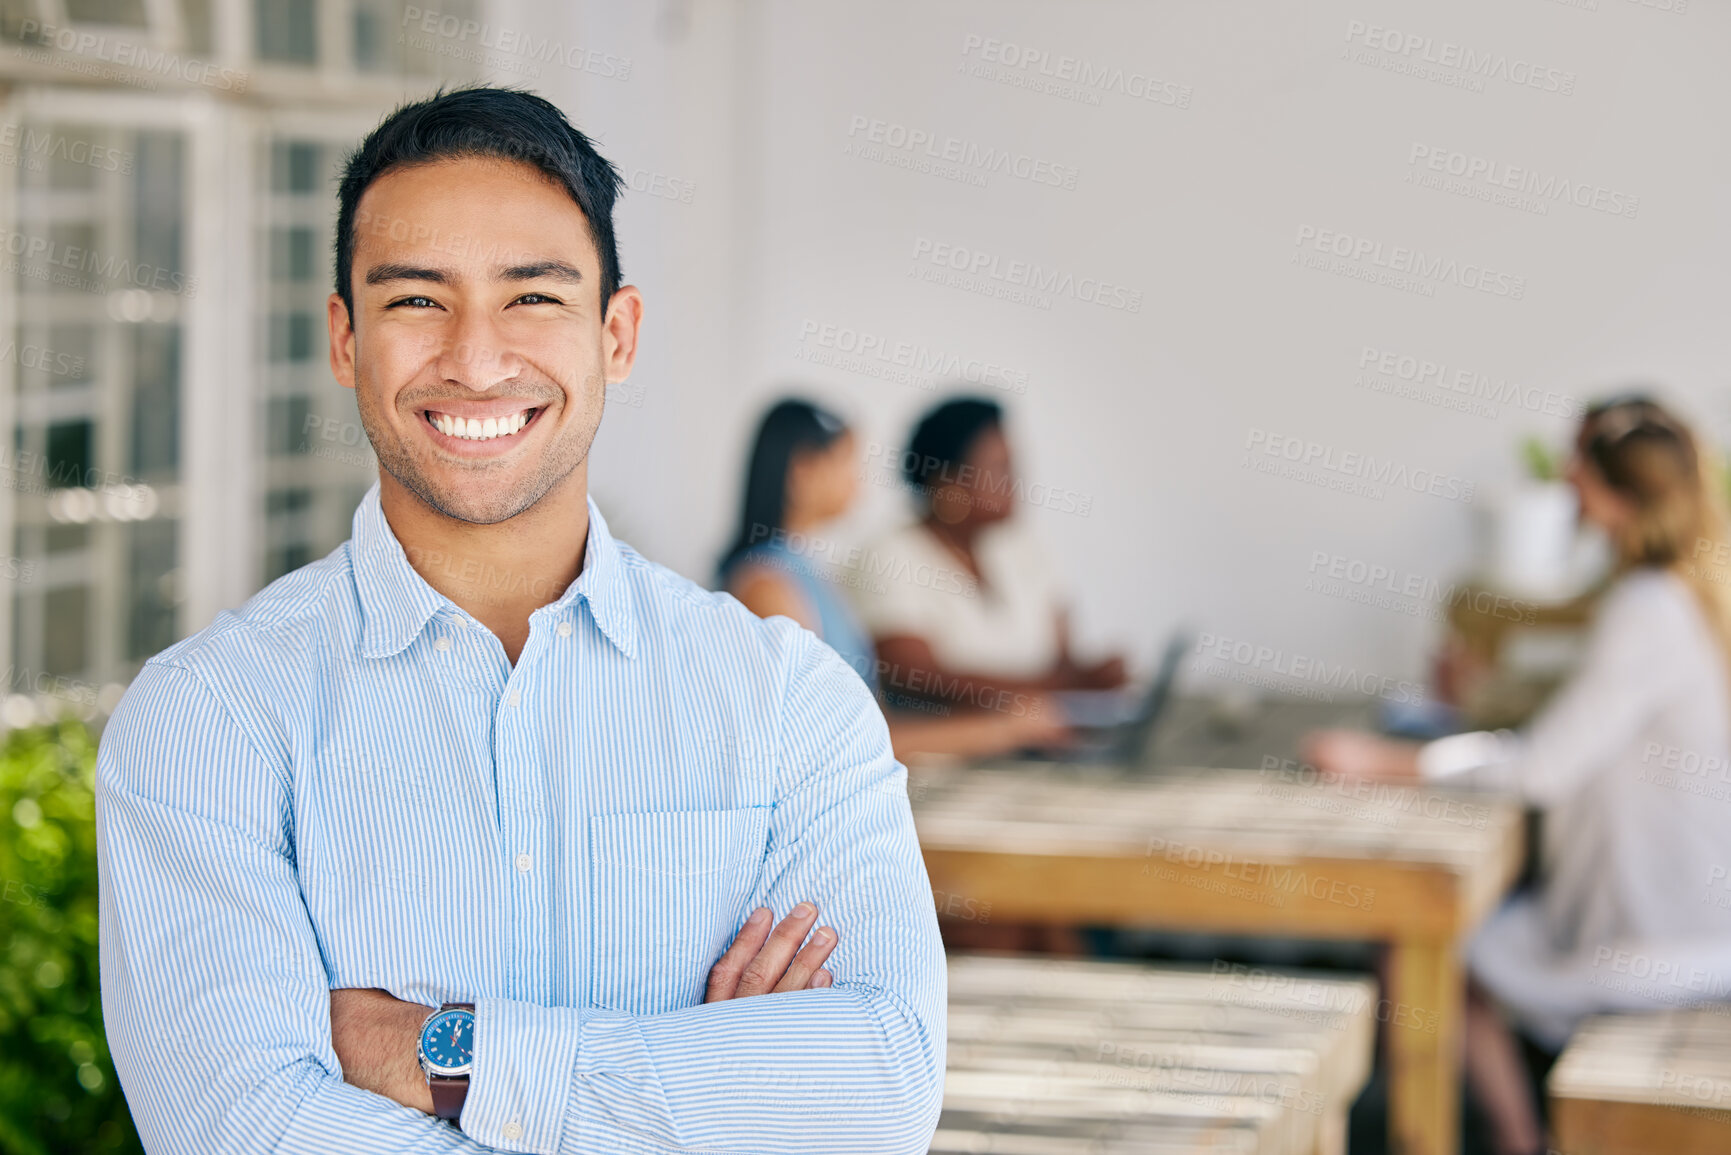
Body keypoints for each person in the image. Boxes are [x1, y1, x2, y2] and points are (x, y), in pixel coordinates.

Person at [95, 88, 944, 1155]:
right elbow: (246, 1131)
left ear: (617, 334)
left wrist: (448, 1056)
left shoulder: (785, 699)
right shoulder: (208, 719)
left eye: (532, 298)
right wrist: (708, 1101)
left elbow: (878, 1093)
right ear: (345, 340)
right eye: (415, 302)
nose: (476, 358)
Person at [1304, 395, 1731, 1155]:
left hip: (1653, 945)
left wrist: (1389, 764)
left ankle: (1513, 1140)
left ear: (1606, 492)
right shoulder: (1691, 591)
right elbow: (1580, 701)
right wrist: (1475, 697)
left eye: (1576, 466)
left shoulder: (1645, 604)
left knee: (1421, 941)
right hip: (1695, 922)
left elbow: (1538, 769)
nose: (1562, 480)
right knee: (1463, 932)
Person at [718, 398, 1070, 760]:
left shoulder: (809, 572)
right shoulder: (766, 588)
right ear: (803, 470)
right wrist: (997, 730)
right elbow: (825, 745)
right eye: (847, 462)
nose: (859, 482)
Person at [851, 396, 1127, 711]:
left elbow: (1064, 659)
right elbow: (915, 679)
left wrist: (1094, 677)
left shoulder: (1024, 550)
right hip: (946, 752)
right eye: (1000, 469)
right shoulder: (889, 556)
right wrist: (1068, 687)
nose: (1014, 483)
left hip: (1046, 741)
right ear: (948, 483)